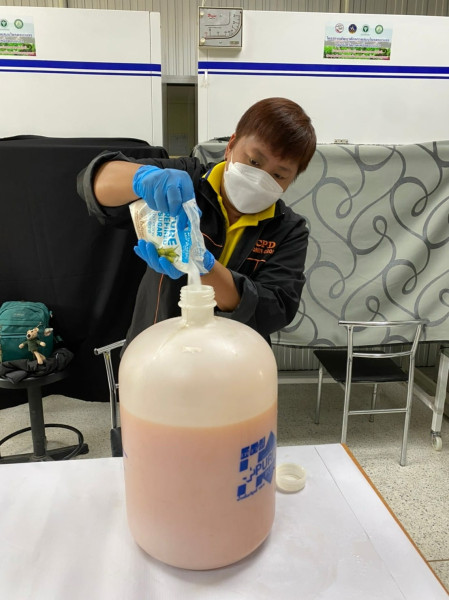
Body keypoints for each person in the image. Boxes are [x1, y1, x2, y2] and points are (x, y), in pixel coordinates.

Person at [77, 97, 316, 347]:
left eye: (278, 175)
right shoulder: (188, 180)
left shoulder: (288, 230)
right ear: (231, 145)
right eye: (254, 162)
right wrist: (141, 178)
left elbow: (274, 309)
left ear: (292, 180)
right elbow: (93, 183)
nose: (259, 179)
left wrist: (203, 266)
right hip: (157, 346)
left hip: (233, 356)